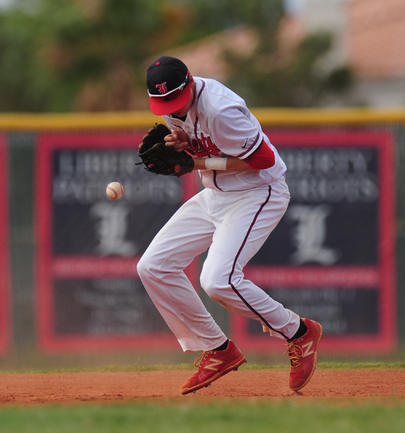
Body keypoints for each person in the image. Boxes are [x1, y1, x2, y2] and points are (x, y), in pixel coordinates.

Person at [136, 55, 322, 395]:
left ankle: (298, 332)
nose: (171, 109)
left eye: (175, 99)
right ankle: (218, 350)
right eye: (164, 103)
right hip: (215, 193)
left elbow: (264, 159)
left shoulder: (222, 109)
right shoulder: (169, 107)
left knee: (217, 281)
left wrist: (197, 161)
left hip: (257, 193)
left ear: (190, 83)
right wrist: (182, 145)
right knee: (153, 266)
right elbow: (194, 146)